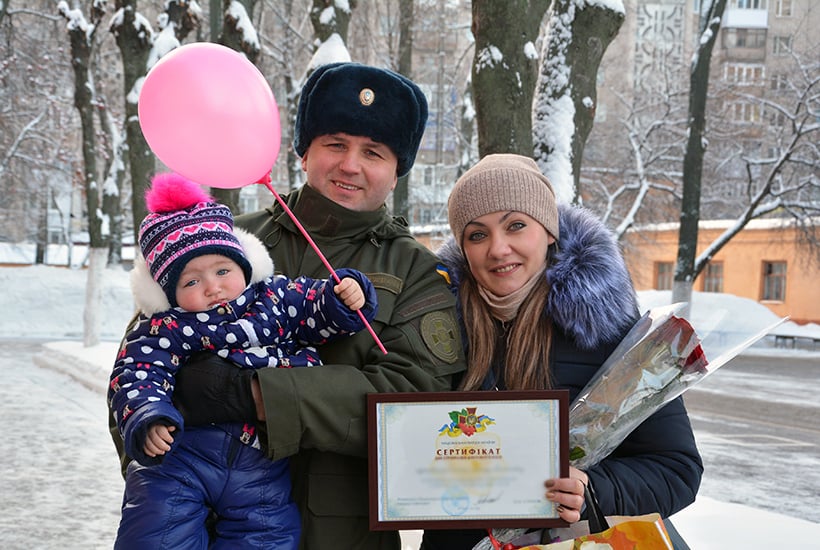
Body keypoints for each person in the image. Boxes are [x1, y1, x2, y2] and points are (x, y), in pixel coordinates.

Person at [110, 62, 467, 550]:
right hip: (210, 530)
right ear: (304, 152)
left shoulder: (416, 271)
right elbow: (136, 368)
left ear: (396, 171)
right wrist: (161, 469)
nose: (350, 165)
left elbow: (416, 402)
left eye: (373, 152)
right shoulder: (222, 242)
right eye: (335, 144)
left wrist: (256, 395)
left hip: (342, 537)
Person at [422, 154, 703, 549]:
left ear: (549, 230)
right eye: (477, 235)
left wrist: (592, 490)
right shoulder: (435, 332)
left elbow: (677, 469)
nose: (498, 249)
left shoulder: (608, 330)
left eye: (516, 225)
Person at [109, 172, 378, 549]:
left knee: (268, 534)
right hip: (183, 456)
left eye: (223, 271)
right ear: (169, 292)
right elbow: (138, 372)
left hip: (260, 460)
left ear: (244, 265)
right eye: (191, 282)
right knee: (156, 529)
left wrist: (343, 298)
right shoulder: (164, 326)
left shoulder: (273, 298)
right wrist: (148, 415)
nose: (213, 287)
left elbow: (314, 309)